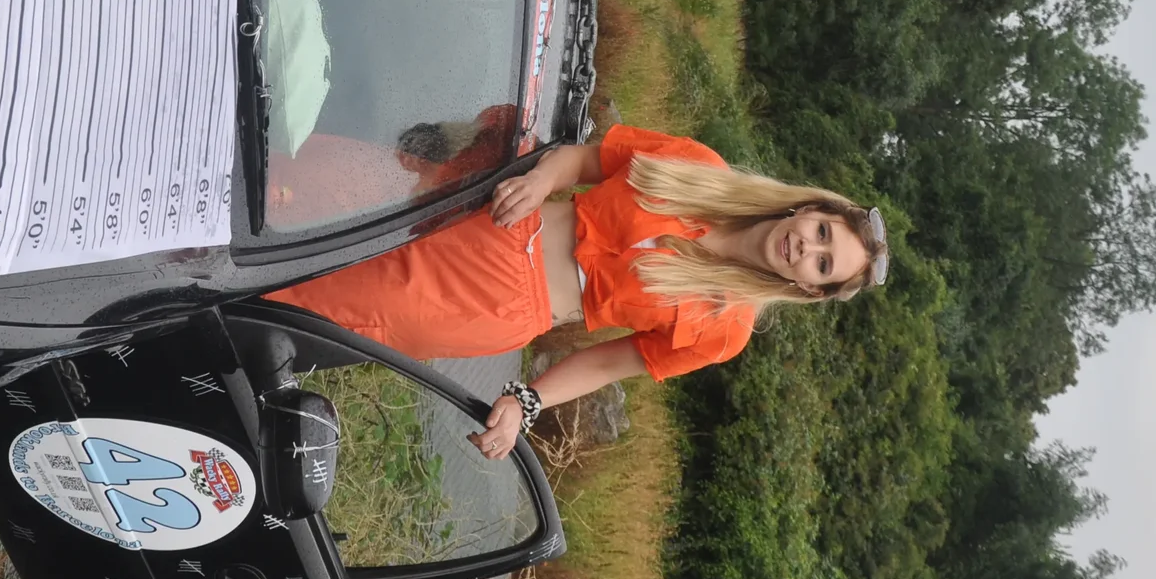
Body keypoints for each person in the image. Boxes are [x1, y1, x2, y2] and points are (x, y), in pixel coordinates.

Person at [265, 124, 888, 459]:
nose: (808, 248)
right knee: (314, 195)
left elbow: (608, 362)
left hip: (498, 305)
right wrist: (541, 180)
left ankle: (191, 322)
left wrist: (524, 403)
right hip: (500, 215)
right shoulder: (702, 167)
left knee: (320, 306)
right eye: (822, 231)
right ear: (810, 209)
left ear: (808, 288)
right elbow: (585, 161)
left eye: (824, 264)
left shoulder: (724, 332)